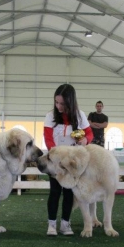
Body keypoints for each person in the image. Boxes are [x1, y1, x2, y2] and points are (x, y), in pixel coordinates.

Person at [44, 84, 93, 236]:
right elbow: (48, 139)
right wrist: (56, 159)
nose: (58, 106)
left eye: (62, 104)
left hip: (72, 164)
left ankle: (65, 223)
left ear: (70, 102)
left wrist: (85, 140)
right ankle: (51, 224)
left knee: (69, 193)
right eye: (56, 102)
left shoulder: (80, 115)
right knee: (54, 192)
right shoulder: (50, 116)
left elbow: (89, 134)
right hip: (55, 163)